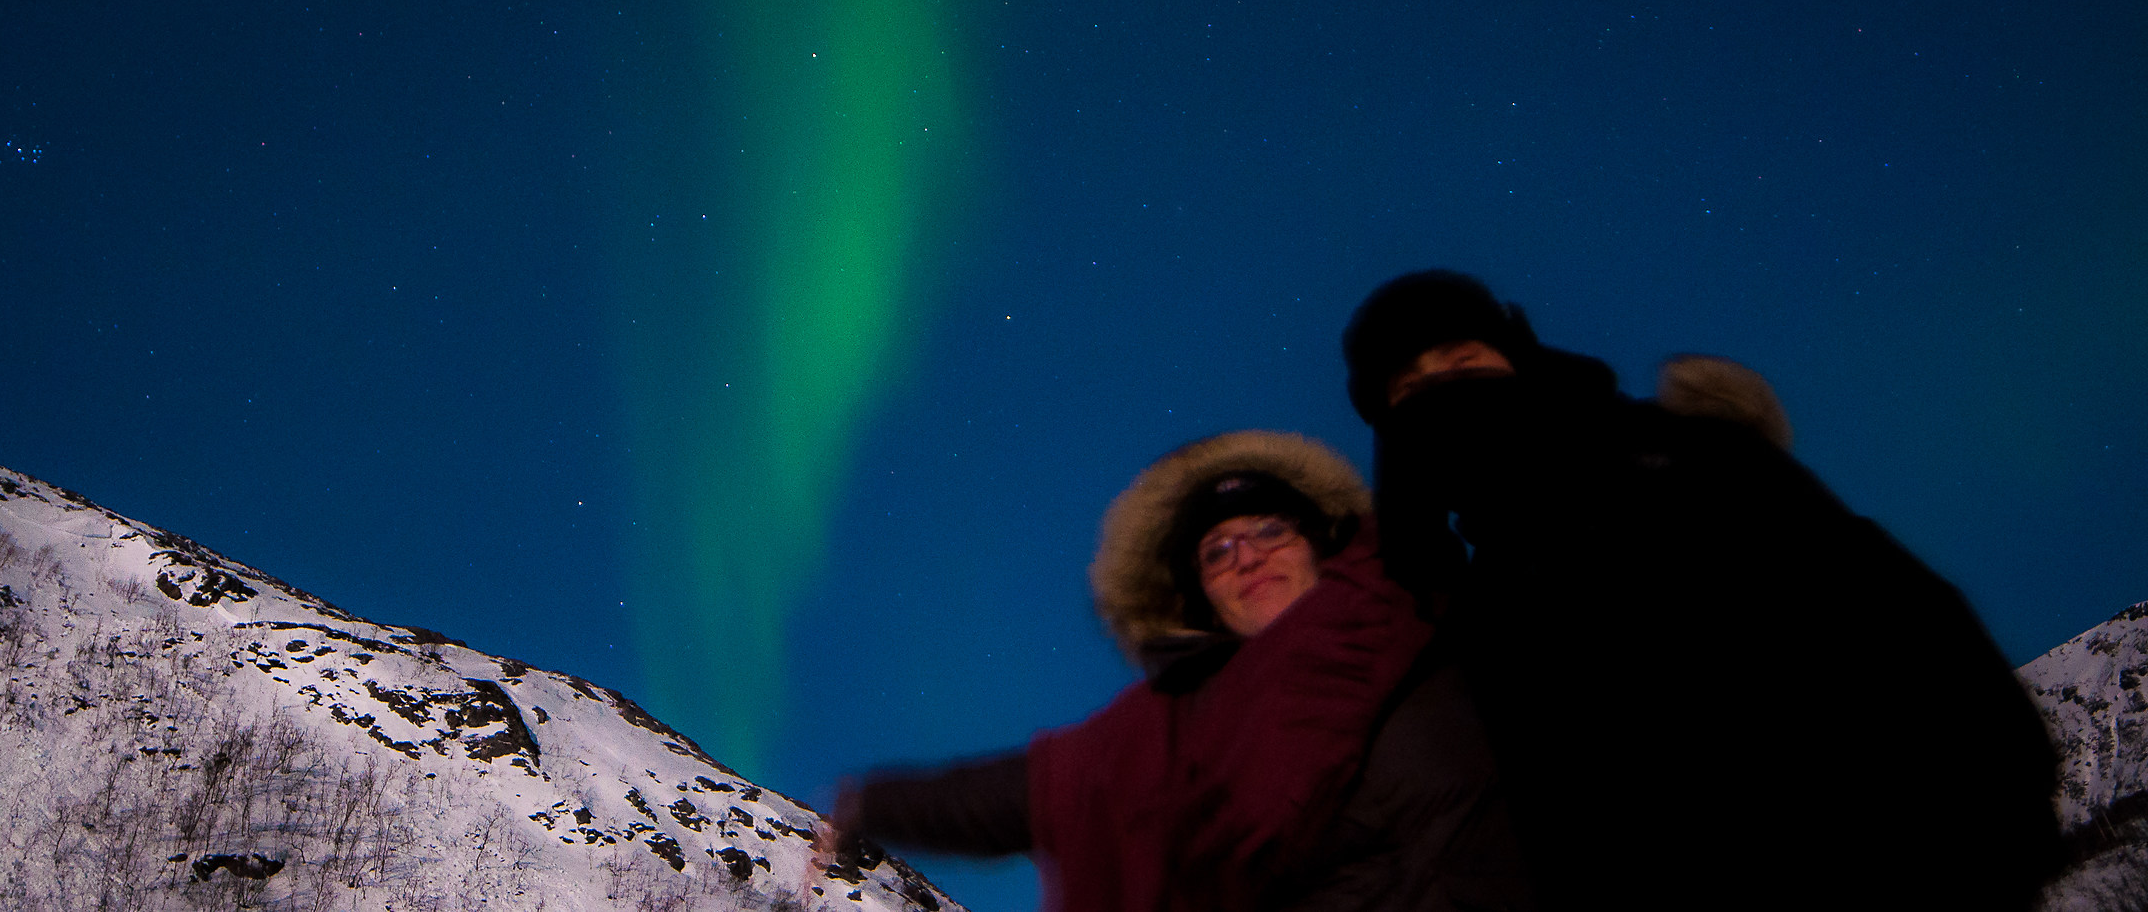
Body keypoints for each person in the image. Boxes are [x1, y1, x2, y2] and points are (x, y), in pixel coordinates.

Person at [1342, 269, 2062, 912]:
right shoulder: (1483, 609)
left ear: (1517, 360)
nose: (1447, 392)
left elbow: (1922, 642)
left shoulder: (1692, 463)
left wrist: (1976, 864)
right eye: (1412, 388)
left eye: (1464, 360)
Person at [822, 431, 1533, 912]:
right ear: (1201, 598)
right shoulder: (1170, 725)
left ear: (1321, 542)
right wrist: (871, 804)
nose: (1247, 556)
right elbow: (1026, 790)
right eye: (1217, 552)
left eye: (1270, 530)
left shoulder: (1438, 618)